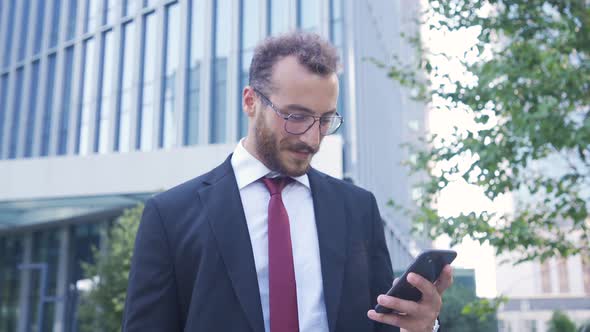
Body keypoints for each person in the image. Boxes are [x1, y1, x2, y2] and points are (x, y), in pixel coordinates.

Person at [123, 32, 452, 332]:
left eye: (324, 120)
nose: (311, 138)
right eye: (296, 116)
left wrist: (418, 328)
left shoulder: (358, 209)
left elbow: (382, 326)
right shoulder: (170, 216)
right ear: (251, 102)